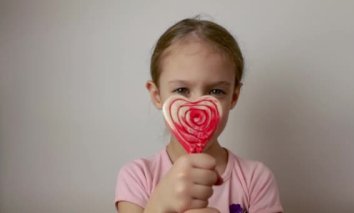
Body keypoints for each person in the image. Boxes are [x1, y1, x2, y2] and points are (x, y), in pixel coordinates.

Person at [115, 16, 284, 213]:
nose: (197, 106)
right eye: (181, 90)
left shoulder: (256, 179)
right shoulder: (138, 177)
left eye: (216, 91)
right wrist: (159, 206)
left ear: (234, 96)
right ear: (157, 95)